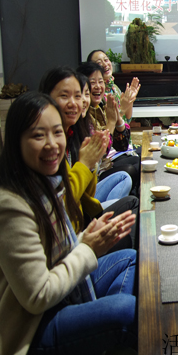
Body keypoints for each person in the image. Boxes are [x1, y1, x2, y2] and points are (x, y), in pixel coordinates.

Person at [0, 92, 137, 355]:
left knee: (129, 259)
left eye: (57, 132)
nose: (52, 144)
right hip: (28, 335)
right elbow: (38, 295)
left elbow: (59, 250)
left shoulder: (45, 182)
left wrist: (86, 237)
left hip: (65, 298)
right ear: (15, 141)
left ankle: (103, 343)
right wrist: (87, 248)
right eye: (38, 135)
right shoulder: (8, 205)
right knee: (126, 310)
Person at [39, 67, 139, 251]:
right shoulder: (51, 145)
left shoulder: (77, 127)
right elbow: (59, 203)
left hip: (79, 212)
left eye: (79, 95)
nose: (78, 102)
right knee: (131, 175)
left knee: (131, 175)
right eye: (65, 96)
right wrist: (86, 164)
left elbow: (121, 143)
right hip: (66, 235)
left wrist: (120, 113)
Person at [77, 62, 140, 196]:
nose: (98, 86)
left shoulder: (101, 105)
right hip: (97, 173)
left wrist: (119, 114)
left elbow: (122, 144)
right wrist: (115, 118)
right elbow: (99, 153)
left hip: (105, 164)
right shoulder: (81, 117)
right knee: (131, 170)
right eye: (92, 82)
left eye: (100, 81)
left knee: (140, 161)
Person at [87, 49, 140, 123]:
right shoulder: (96, 93)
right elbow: (107, 125)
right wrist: (122, 109)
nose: (105, 64)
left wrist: (129, 99)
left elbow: (127, 119)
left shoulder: (115, 88)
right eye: (99, 63)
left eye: (106, 60)